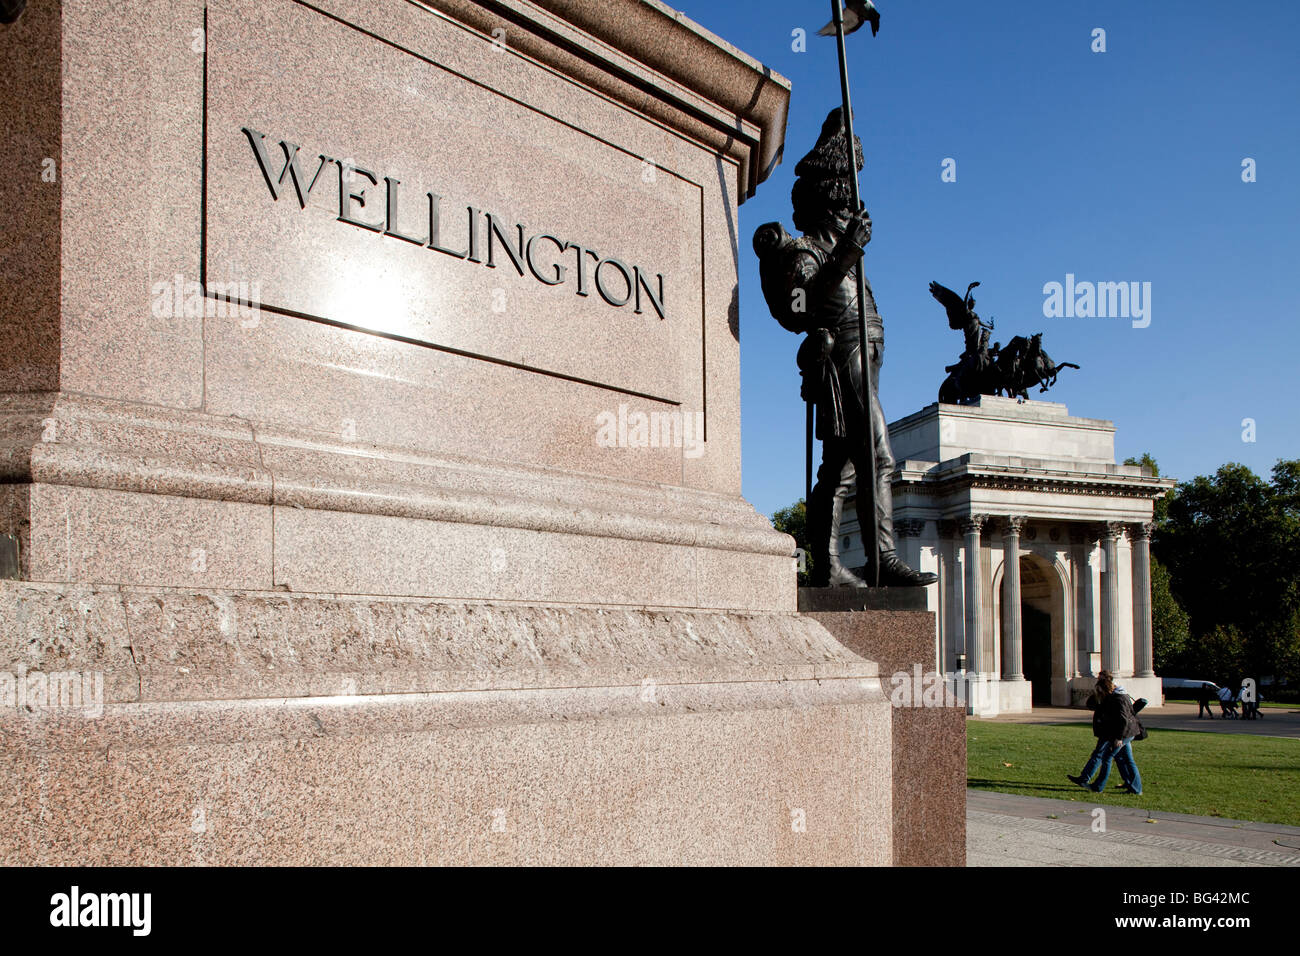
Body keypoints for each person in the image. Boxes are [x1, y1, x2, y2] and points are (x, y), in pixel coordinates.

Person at [753, 108, 936, 588]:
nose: (853, 209)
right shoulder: (805, 251)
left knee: (840, 467)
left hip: (866, 356)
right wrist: (846, 253)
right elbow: (801, 306)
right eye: (844, 201)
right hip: (841, 359)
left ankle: (828, 567)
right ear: (827, 203)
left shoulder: (839, 250)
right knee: (877, 457)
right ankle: (882, 558)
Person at [1068, 671, 1143, 794]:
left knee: (1107, 757)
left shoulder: (1118, 698)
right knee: (1127, 759)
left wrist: (1119, 738)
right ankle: (1135, 788)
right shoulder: (1116, 696)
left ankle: (1098, 786)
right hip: (1126, 732)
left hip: (1124, 733)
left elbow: (1123, 720)